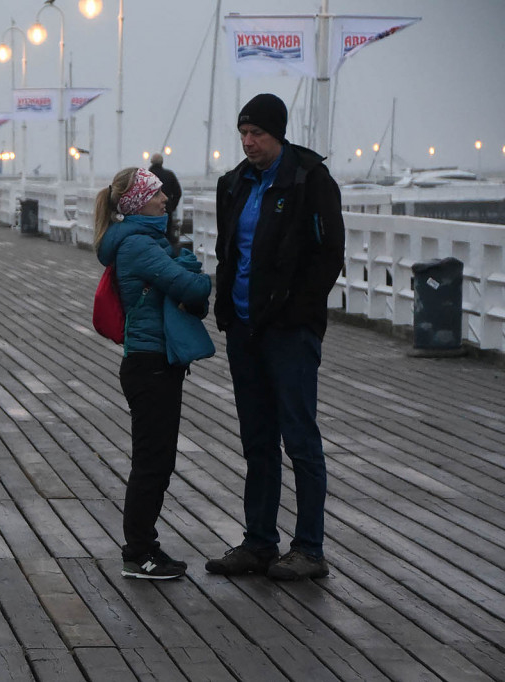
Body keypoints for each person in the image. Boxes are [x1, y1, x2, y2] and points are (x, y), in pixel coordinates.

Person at [205, 93, 345, 581]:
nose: (248, 142)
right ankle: (259, 542)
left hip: (289, 334)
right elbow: (230, 254)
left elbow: (329, 256)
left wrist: (298, 315)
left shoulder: (309, 180)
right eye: (243, 133)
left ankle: (309, 548)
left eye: (257, 134)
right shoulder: (233, 185)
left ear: (278, 134)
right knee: (257, 440)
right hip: (245, 330)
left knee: (300, 439)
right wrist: (227, 310)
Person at [94, 167, 212, 580]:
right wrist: (193, 269)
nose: (166, 199)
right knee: (151, 462)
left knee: (157, 459)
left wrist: (180, 266)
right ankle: (138, 553)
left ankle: (146, 545)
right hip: (150, 365)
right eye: (158, 193)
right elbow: (194, 291)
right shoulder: (139, 248)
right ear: (139, 201)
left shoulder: (144, 243)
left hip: (153, 363)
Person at [147, 153, 182, 244]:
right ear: (162, 162)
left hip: (149, 213)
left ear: (151, 162)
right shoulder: (169, 174)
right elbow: (178, 193)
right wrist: (172, 206)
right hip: (166, 210)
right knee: (166, 236)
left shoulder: (147, 176)